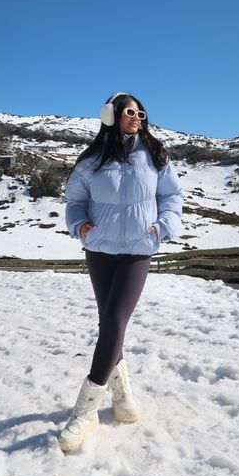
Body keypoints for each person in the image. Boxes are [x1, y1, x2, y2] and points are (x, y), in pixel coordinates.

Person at [58, 92, 183, 452]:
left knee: (114, 320)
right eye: (130, 111)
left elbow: (173, 197)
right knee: (110, 325)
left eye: (141, 112)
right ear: (111, 116)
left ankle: (85, 411)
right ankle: (123, 396)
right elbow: (75, 201)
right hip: (99, 251)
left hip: (137, 252)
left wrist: (162, 227)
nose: (137, 117)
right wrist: (80, 226)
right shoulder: (92, 161)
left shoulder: (155, 156)